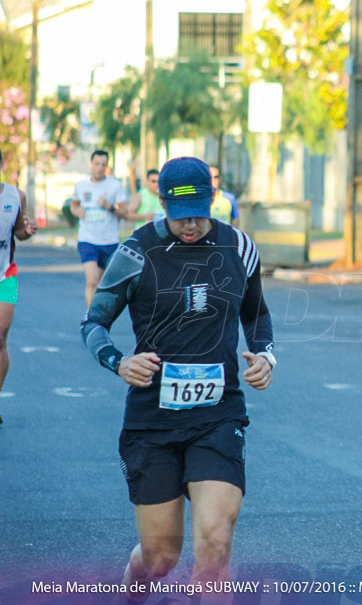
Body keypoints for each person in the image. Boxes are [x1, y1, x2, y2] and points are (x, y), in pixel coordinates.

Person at [81, 156, 275, 595]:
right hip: (152, 420)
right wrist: (118, 361)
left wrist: (265, 356)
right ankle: (134, 586)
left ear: (212, 201)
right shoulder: (135, 252)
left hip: (218, 414)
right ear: (162, 203)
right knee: (161, 558)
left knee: (214, 540)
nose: (190, 225)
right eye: (179, 215)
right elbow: (93, 323)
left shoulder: (239, 247)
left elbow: (257, 315)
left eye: (199, 214)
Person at [0, 152, 38, 424]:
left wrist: (28, 229)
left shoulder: (16, 196)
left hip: (5, 275)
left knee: (0, 338)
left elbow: (19, 232)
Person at [70, 149, 128, 306]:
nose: (100, 167)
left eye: (103, 164)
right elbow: (73, 204)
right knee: (92, 280)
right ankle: (91, 320)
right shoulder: (81, 186)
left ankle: (99, 315)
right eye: (97, 164)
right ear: (91, 164)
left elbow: (124, 212)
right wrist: (77, 211)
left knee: (101, 285)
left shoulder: (115, 185)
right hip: (87, 240)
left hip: (109, 241)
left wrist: (109, 206)